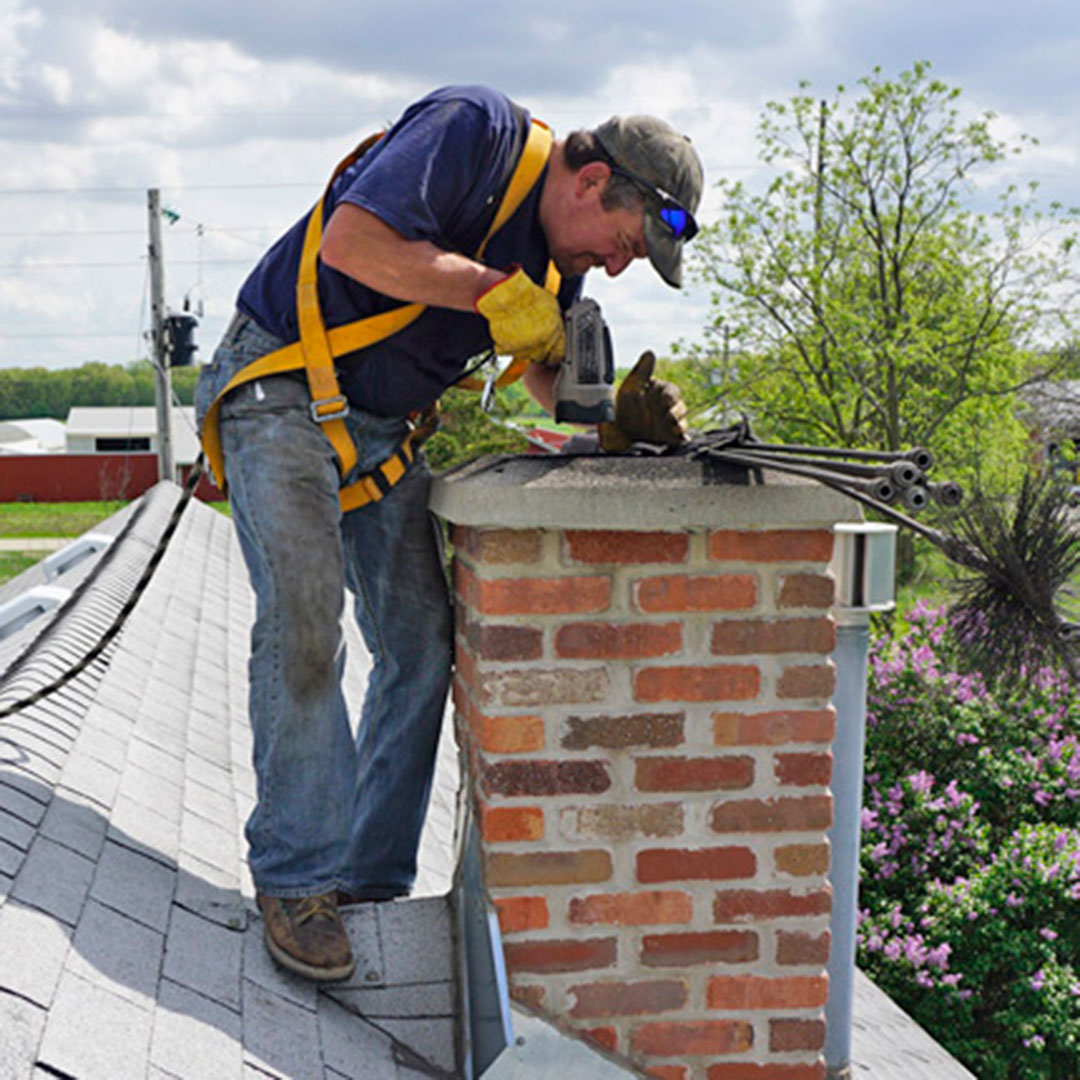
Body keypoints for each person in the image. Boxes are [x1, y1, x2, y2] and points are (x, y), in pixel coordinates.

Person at [194, 84, 703, 982]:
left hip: (383, 435)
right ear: (591, 180)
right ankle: (297, 880)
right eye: (623, 246)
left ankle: (367, 880)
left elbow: (540, 366)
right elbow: (354, 240)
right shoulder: (474, 131)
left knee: (423, 643)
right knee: (307, 623)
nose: (614, 270)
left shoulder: (558, 259)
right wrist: (488, 290)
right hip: (281, 389)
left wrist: (613, 420)